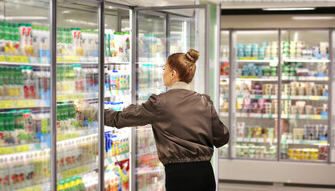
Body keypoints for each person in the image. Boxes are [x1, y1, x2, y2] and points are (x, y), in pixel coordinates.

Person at [76, 48, 229, 191]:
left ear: (173, 73)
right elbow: (222, 138)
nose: (163, 73)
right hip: (205, 174)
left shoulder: (160, 103)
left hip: (179, 176)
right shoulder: (204, 101)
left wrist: (88, 109)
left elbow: (119, 119)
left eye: (165, 69)